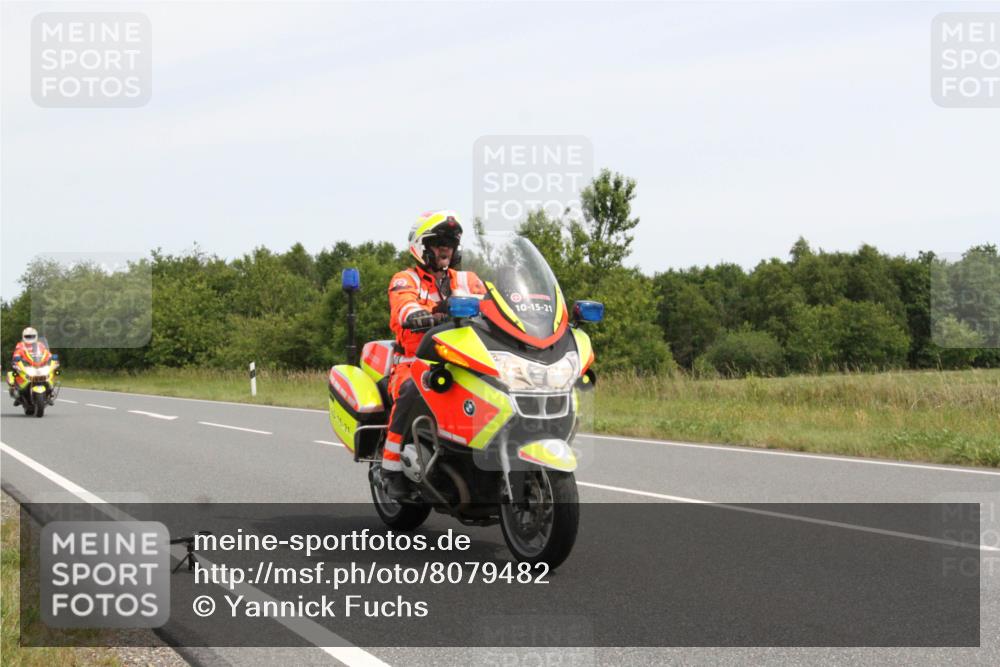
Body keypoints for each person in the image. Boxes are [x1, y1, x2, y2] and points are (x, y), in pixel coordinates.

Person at [381, 210, 486, 499]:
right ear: (422, 246)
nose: (445, 248)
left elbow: (493, 304)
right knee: (414, 388)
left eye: (450, 243)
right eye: (439, 241)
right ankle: (389, 470)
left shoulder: (468, 280)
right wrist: (429, 313)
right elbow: (403, 308)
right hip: (415, 362)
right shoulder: (406, 279)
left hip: (463, 360)